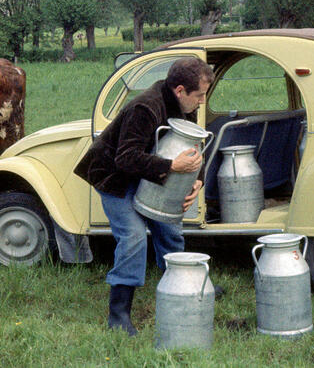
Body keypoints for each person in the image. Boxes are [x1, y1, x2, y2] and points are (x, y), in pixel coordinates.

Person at [74, 57, 214, 336]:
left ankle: (181, 284)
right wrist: (172, 167)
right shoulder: (145, 108)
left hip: (146, 174)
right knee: (134, 237)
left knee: (169, 227)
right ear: (179, 91)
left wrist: (197, 181)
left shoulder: (183, 106)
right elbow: (125, 159)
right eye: (199, 95)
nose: (202, 102)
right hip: (114, 177)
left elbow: (194, 146)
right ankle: (119, 313)